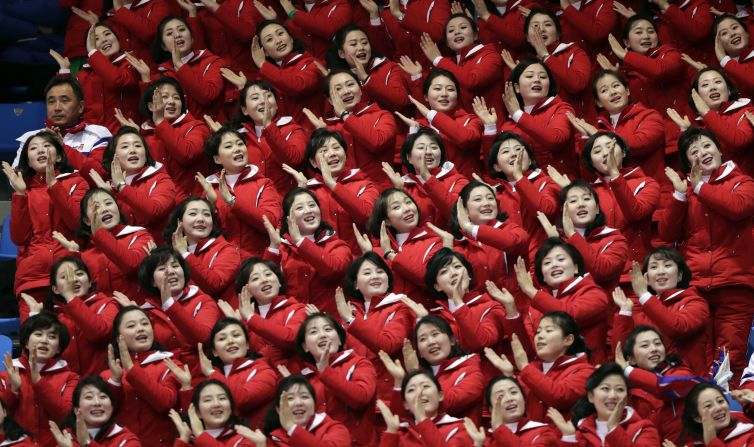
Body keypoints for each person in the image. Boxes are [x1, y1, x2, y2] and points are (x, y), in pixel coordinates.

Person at [659, 127, 754, 384]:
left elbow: (738, 208)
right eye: (694, 151)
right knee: (695, 356)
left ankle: (733, 418)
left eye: (707, 147)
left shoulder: (742, 182)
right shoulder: (686, 190)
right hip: (697, 285)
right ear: (687, 161)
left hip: (736, 284)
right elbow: (667, 232)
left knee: (729, 357)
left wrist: (699, 186)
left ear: (720, 150)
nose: (702, 154)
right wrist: (679, 195)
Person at [3, 131, 89, 319]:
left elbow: (77, 223)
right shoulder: (24, 190)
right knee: (35, 339)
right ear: (28, 161)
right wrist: (19, 195)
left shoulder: (77, 182)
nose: (41, 150)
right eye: (33, 148)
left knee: (71, 339)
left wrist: (54, 185)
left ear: (58, 156)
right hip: (32, 278)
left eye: (47, 146)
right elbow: (19, 237)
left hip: (69, 273)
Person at [612, 247, 711, 375]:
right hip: (646, 383)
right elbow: (621, 355)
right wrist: (624, 312)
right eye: (654, 267)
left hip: (687, 383)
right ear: (646, 279)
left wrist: (644, 295)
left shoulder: (695, 303)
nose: (661, 272)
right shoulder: (641, 310)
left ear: (680, 275)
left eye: (667, 265)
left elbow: (677, 327)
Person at [487, 311, 594, 424]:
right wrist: (509, 375)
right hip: (536, 438)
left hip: (564, 439)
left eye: (548, 331)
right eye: (538, 332)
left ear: (568, 339)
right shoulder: (533, 369)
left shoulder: (584, 371)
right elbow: (520, 404)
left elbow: (559, 397)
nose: (540, 336)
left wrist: (524, 366)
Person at [580, 132, 660, 282]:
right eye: (597, 151)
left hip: (636, 275)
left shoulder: (647, 183)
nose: (605, 152)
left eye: (610, 146)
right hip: (599, 275)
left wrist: (615, 175)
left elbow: (636, 214)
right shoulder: (587, 193)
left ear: (623, 152)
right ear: (591, 163)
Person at [336, 253, 414, 402]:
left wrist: (351, 321)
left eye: (380, 271)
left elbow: (388, 344)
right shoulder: (348, 313)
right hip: (357, 397)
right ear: (355, 284)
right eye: (367, 272)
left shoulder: (400, 307)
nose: (375, 276)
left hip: (390, 397)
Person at [263, 188, 353, 315]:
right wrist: (273, 247)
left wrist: (300, 241)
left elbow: (333, 269)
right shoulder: (282, 249)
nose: (308, 210)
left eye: (312, 205)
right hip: (294, 323)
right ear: (288, 218)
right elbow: (266, 286)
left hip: (330, 324)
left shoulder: (337, 245)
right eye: (300, 208)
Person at [293, 312, 377, 446]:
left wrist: (325, 371)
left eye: (328, 329)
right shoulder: (302, 380)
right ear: (305, 346)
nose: (322, 335)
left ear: (339, 339)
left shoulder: (359, 363)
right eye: (314, 332)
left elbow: (361, 397)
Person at [198, 126, 282, 259]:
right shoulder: (210, 188)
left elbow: (271, 222)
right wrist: (212, 205)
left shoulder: (263, 184)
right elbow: (204, 233)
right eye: (228, 146)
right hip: (225, 263)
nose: (237, 149)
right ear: (217, 159)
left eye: (240, 144)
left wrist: (233, 202)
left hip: (257, 262)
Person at [289, 128, 378, 254]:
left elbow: (366, 215)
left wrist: (332, 184)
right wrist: (300, 191)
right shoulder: (308, 192)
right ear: (313, 162)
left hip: (360, 260)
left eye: (336, 148)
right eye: (324, 151)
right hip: (324, 260)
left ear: (345, 154)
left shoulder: (365, 185)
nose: (332, 154)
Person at [103, 306, 182, 446]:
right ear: (118, 337)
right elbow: (103, 415)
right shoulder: (109, 374)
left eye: (145, 324)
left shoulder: (170, 364)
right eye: (131, 326)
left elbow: (165, 403)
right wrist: (115, 381)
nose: (140, 329)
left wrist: (132, 369)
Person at [304, 69, 397, 188]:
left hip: (384, 193)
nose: (346, 91)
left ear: (361, 90)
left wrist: (345, 115)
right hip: (348, 193)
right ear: (329, 100)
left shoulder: (382, 116)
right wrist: (323, 133)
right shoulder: (331, 129)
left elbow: (377, 142)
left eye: (350, 84)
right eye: (338, 89)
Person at [571, 70, 665, 182]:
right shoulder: (598, 126)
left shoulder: (649, 116)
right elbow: (590, 177)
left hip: (645, 190)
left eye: (615, 85)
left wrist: (598, 135)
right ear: (598, 102)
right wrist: (585, 139)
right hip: (612, 194)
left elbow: (639, 144)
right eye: (604, 90)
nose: (612, 92)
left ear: (627, 90)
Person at [0, 312, 78, 447]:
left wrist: (38, 381)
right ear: (25, 341)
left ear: (59, 348)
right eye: (38, 334)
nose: (44, 340)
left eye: (52, 336)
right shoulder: (7, 373)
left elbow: (66, 417)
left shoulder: (70, 378)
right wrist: (13, 390)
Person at [482, 131, 560, 263]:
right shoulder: (496, 195)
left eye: (518, 149)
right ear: (497, 167)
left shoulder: (546, 182)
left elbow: (546, 210)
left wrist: (519, 178)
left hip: (546, 260)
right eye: (506, 151)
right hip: (513, 265)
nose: (514, 154)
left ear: (529, 160)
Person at [89, 126, 176, 241]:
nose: (133, 150)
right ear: (113, 157)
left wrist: (122, 187)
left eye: (138, 146)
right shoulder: (110, 188)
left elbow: (154, 211)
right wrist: (111, 196)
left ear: (146, 155)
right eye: (125, 146)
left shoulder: (161, 179)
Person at [540, 180, 630, 292]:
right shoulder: (555, 238)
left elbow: (601, 271)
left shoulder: (615, 239)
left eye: (586, 199)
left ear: (597, 208)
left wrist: (572, 235)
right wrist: (555, 243)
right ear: (563, 210)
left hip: (602, 305)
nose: (581, 204)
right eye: (573, 201)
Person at [614, 325, 699, 442]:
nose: (654, 349)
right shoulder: (627, 390)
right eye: (645, 345)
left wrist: (628, 370)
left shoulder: (681, 372)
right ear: (632, 359)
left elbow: (664, 386)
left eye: (658, 344)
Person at [51, 22, 140, 133]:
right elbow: (68, 105)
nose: (104, 40)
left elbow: (117, 80)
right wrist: (64, 71)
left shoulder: (131, 63)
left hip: (124, 138)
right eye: (96, 39)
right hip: (92, 141)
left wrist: (93, 52)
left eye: (107, 34)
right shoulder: (83, 75)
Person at [133, 77, 212, 201]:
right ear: (151, 105)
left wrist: (160, 122)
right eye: (165, 97)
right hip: (160, 204)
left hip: (193, 204)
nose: (171, 101)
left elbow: (187, 154)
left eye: (176, 97)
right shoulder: (144, 137)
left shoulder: (196, 127)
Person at [449, 181, 530, 300]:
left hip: (520, 306)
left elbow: (516, 242)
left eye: (490, 198)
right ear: (464, 210)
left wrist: (470, 228)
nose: (486, 203)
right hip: (484, 313)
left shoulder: (511, 229)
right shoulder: (460, 246)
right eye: (478, 199)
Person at [497, 59, 577, 178]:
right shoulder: (509, 124)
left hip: (563, 186)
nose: (537, 80)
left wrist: (518, 115)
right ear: (517, 88)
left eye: (543, 77)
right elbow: (496, 166)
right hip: (525, 188)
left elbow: (556, 139)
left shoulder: (562, 109)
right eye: (529, 76)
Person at [222, 258, 307, 369]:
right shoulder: (247, 323)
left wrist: (251, 318)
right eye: (255, 278)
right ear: (247, 292)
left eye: (268, 274)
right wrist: (238, 327)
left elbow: (290, 338)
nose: (264, 280)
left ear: (279, 282)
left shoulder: (297, 310)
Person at [668, 68, 754, 176]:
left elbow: (738, 141)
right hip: (715, 189)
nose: (713, 88)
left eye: (717, 82)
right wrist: (686, 132)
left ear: (729, 90)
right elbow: (692, 167)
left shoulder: (747, 112)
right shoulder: (697, 126)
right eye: (705, 85)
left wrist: (707, 113)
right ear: (697, 96)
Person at [193, 318, 277, 428]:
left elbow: (242, 399)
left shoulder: (264, 371)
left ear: (247, 345)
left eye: (236, 335)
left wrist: (211, 372)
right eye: (222, 338)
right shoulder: (210, 376)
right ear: (214, 351)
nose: (230, 341)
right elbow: (195, 414)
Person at [136, 246, 222, 354]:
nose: (171, 272)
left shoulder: (203, 301)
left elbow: (203, 339)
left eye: (175, 266)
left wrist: (169, 305)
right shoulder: (146, 312)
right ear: (152, 281)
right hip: (164, 369)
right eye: (162, 268)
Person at [227, 80, 308, 193]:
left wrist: (269, 126)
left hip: (288, 202)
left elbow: (294, 159)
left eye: (268, 96)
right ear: (245, 110)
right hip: (253, 202)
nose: (263, 101)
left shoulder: (293, 129)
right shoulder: (239, 137)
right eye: (255, 98)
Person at [365, 188, 442, 305]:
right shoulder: (378, 253)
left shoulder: (434, 242)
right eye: (396, 207)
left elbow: (430, 278)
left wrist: (391, 256)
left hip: (427, 316)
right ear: (386, 221)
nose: (407, 209)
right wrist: (368, 255)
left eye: (409, 202)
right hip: (394, 319)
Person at [13, 76, 111, 169]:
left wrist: (64, 148)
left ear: (81, 107)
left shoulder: (97, 136)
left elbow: (99, 174)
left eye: (64, 101)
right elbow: (17, 178)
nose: (57, 108)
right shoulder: (30, 138)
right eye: (51, 102)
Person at [553, 362, 661, 446]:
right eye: (605, 388)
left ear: (627, 397)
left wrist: (614, 428)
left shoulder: (643, 429)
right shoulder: (582, 433)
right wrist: (569, 438)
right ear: (591, 397)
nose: (613, 396)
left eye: (619, 389)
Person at [401, 69, 483, 177]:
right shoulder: (418, 125)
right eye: (437, 88)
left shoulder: (471, 120)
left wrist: (430, 114)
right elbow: (408, 168)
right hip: (427, 189)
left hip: (465, 189)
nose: (444, 94)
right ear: (425, 96)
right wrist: (413, 131)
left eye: (450, 89)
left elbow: (466, 139)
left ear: (457, 97)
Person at [47, 257, 119, 376]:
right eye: (65, 277)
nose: (73, 280)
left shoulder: (108, 304)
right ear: (55, 289)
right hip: (68, 386)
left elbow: (99, 333)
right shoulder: (53, 317)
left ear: (90, 282)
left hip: (101, 386)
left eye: (79, 274)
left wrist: (70, 296)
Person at [382, 128, 469, 227]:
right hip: (418, 242)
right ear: (409, 158)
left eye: (434, 147)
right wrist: (399, 191)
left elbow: (458, 214)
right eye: (421, 148)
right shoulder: (402, 186)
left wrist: (427, 177)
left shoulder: (458, 180)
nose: (428, 152)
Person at [421, 13, 503, 116]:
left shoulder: (490, 55)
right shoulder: (448, 63)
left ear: (475, 35)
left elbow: (473, 80)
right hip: (459, 126)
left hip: (491, 126)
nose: (457, 32)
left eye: (463, 27)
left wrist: (438, 59)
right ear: (447, 42)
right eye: (451, 30)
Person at [149, 16, 229, 121]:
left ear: (192, 38)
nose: (177, 35)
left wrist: (179, 64)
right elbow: (154, 111)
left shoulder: (213, 62)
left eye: (182, 29)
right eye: (169, 33)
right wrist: (145, 81)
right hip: (176, 133)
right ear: (163, 46)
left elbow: (207, 96)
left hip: (212, 130)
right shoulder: (160, 74)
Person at [603, 15, 686, 115]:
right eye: (638, 32)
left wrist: (625, 55)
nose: (646, 36)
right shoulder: (626, 72)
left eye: (651, 31)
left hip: (680, 125)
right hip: (647, 128)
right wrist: (617, 77)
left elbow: (659, 70)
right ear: (626, 42)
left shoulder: (671, 54)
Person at [163, 197, 242, 301]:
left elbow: (215, 284)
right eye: (193, 214)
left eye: (206, 214)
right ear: (180, 222)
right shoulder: (170, 254)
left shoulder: (227, 250)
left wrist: (184, 254)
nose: (201, 219)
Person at [520, 8, 592, 121]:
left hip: (575, 123)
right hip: (539, 125)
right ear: (528, 37)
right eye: (535, 26)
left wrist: (546, 56)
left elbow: (578, 84)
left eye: (547, 25)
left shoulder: (574, 53)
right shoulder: (525, 64)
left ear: (558, 34)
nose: (541, 29)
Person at [251, 20, 323, 129]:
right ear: (264, 52)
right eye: (269, 39)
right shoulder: (264, 77)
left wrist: (263, 65)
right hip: (281, 137)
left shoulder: (313, 64)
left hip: (314, 133)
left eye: (280, 33)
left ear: (291, 38)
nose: (278, 41)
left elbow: (298, 86)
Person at [245, 375, 352, 446]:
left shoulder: (335, 429)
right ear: (278, 410)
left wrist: (292, 428)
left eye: (304, 397)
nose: (298, 403)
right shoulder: (273, 441)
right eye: (290, 398)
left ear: (315, 405)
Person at [376, 369, 475, 447]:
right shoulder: (399, 434)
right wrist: (390, 432)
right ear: (405, 404)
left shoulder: (459, 428)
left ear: (440, 395)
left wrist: (422, 420)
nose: (420, 393)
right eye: (411, 390)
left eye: (426, 386)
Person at [326, 23, 411, 112]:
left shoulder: (389, 67)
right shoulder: (337, 80)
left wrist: (367, 79)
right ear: (341, 53)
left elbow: (401, 101)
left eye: (365, 43)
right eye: (354, 44)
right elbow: (332, 116)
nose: (361, 47)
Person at [50, 375, 142, 447]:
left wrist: (87, 444)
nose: (97, 403)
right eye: (89, 397)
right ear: (76, 409)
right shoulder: (66, 440)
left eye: (103, 397)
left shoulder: (127, 440)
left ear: (112, 406)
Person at [169, 379, 255, 447]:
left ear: (231, 407)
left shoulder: (246, 438)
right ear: (197, 412)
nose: (216, 404)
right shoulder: (190, 441)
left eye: (222, 398)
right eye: (207, 400)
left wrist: (200, 434)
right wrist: (184, 438)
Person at [482, 375, 559, 446]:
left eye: (513, 392)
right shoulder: (484, 439)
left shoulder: (544, 433)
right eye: (500, 396)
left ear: (524, 400)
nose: (509, 399)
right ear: (491, 409)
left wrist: (499, 429)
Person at [681, 383, 754, 446]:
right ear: (697, 418)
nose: (718, 408)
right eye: (708, 406)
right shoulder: (694, 444)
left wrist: (712, 442)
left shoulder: (749, 436)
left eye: (720, 401)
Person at [714, 14, 754, 99]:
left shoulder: (727, 64)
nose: (732, 34)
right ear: (718, 44)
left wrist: (725, 61)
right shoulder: (721, 74)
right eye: (724, 33)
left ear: (747, 33)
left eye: (735, 28)